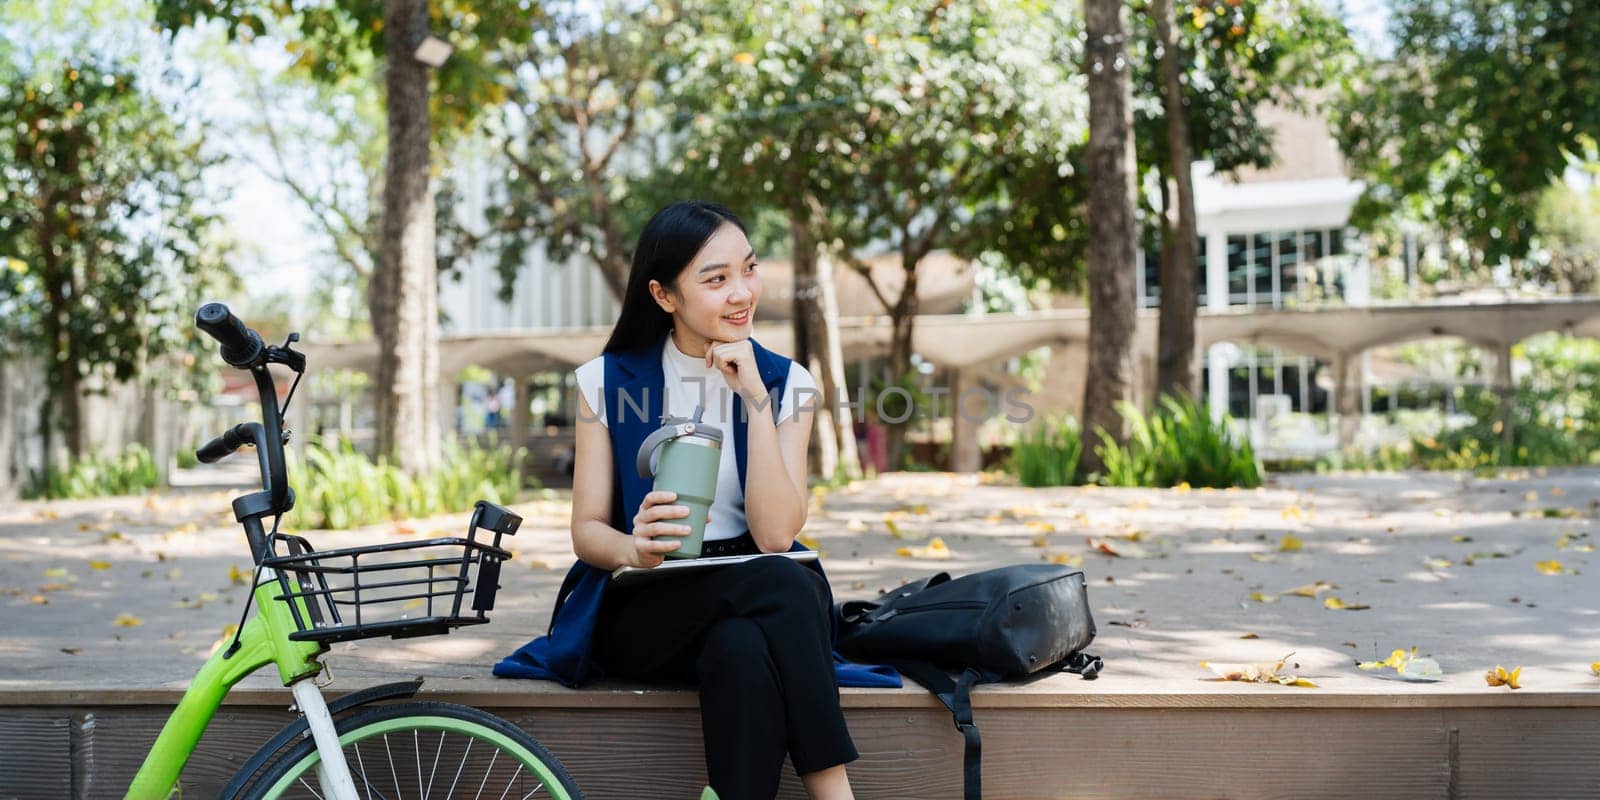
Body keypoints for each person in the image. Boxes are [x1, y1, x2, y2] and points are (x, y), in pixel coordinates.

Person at [495, 201, 899, 800]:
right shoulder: (605, 382)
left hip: (753, 587)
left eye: (749, 269)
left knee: (741, 646)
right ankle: (835, 792)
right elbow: (587, 532)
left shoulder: (787, 382)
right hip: (648, 600)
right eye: (716, 279)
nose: (742, 293)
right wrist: (635, 545)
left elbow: (774, 537)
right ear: (664, 296)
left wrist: (755, 399)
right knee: (787, 586)